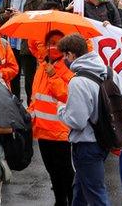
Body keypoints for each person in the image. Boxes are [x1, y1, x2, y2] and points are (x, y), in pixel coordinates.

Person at [52, 33, 112, 205]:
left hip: (87, 144)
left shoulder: (78, 81)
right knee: (80, 191)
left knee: (95, 194)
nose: (64, 59)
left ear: (71, 55)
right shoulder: (107, 71)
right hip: (104, 138)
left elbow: (77, 121)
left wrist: (61, 109)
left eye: (65, 55)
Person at [29, 30, 75, 206]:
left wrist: (53, 76)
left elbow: (66, 95)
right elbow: (36, 95)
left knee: (65, 171)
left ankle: (72, 201)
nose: (53, 46)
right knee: (52, 171)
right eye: (50, 42)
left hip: (60, 131)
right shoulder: (43, 65)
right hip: (42, 131)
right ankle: (60, 201)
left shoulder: (67, 67)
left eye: (58, 42)